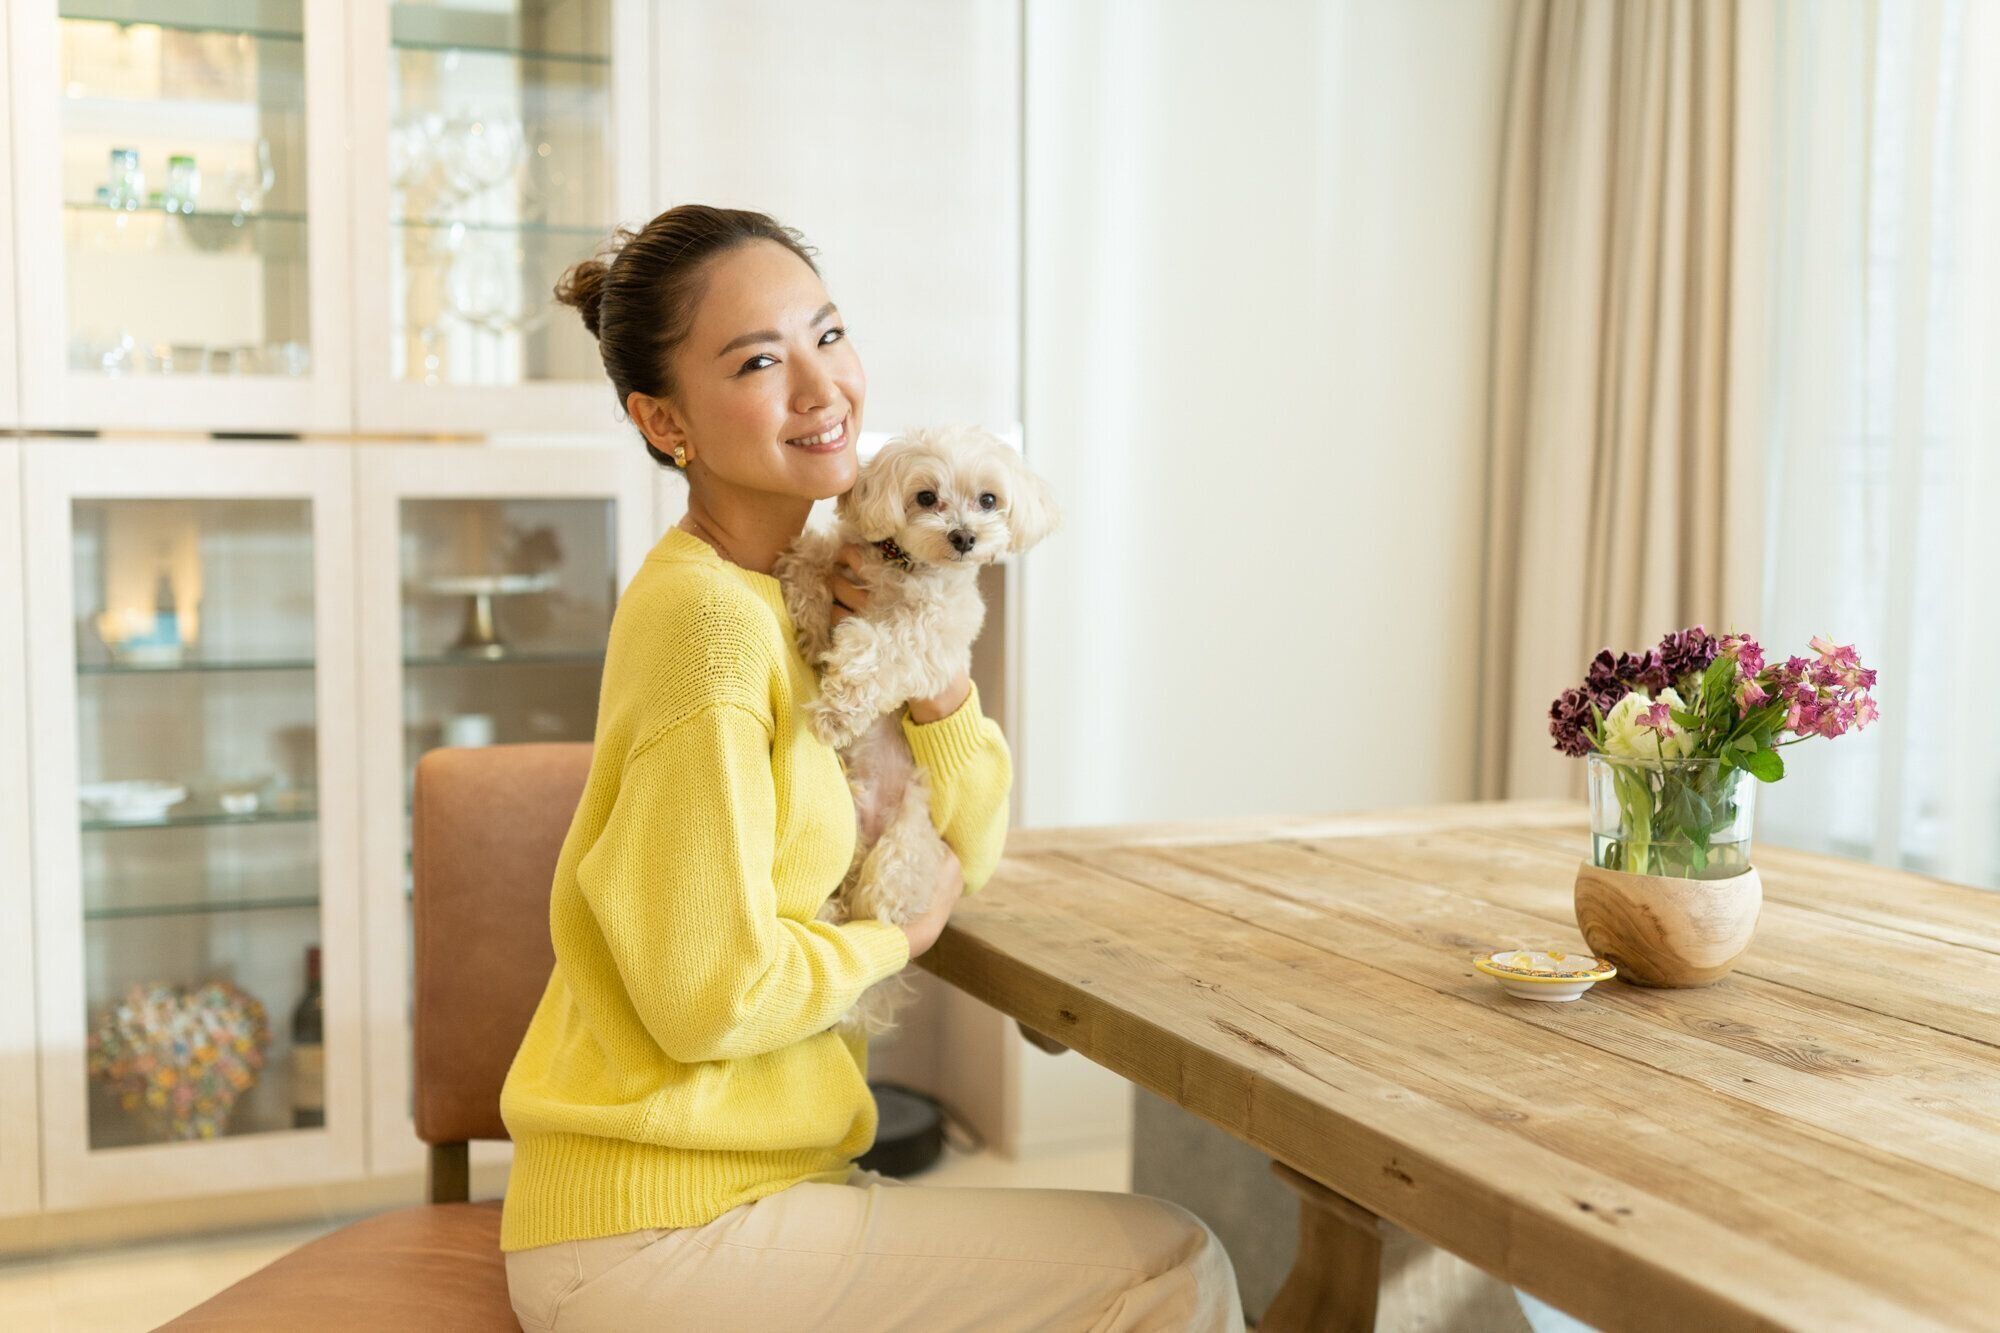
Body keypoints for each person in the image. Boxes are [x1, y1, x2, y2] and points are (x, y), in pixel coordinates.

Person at [497, 204, 1243, 1332]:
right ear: (664, 419)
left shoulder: (789, 584)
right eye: (758, 361)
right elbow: (707, 997)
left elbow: (969, 842)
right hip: (659, 1225)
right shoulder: (707, 626)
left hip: (752, 1178)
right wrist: (897, 940)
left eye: (828, 335)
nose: (821, 388)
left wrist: (936, 686)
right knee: (1168, 1264)